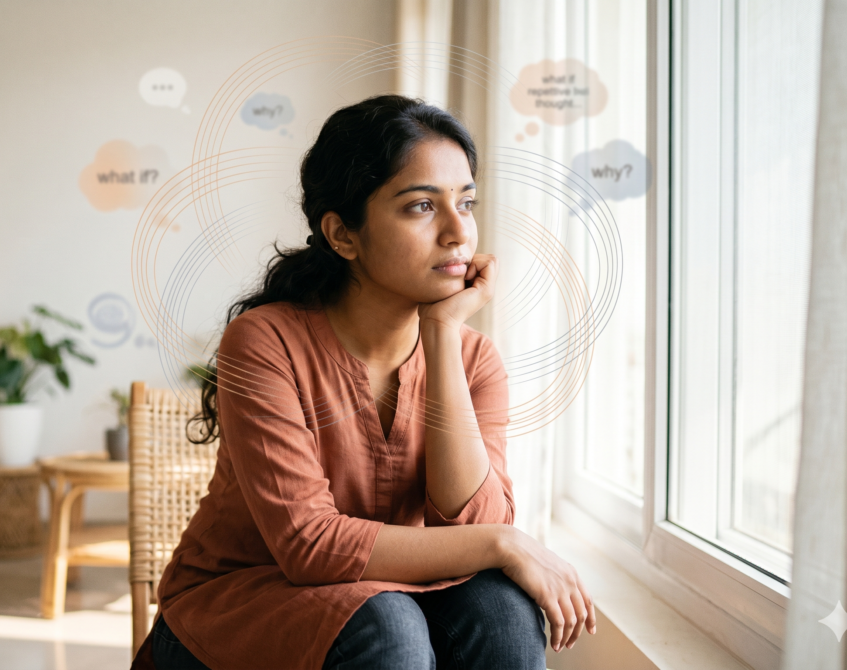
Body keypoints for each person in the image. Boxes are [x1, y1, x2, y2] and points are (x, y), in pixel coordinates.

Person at [138, 94, 596, 670]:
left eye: (467, 202)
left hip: (384, 601)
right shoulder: (263, 342)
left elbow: (473, 530)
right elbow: (309, 545)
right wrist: (507, 543)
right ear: (343, 234)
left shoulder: (473, 360)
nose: (458, 232)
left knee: (502, 609)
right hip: (230, 617)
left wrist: (441, 333)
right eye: (422, 206)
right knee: (386, 625)